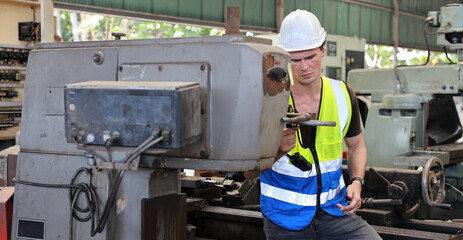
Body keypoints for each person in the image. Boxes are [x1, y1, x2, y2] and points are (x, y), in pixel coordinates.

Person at [259, 9, 382, 240]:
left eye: (310, 57)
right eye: (295, 60)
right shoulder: (269, 99)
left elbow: (357, 146)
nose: (304, 67)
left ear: (323, 49)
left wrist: (356, 181)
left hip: (334, 212)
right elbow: (247, 171)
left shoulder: (344, 94)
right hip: (284, 218)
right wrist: (276, 152)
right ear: (284, 58)